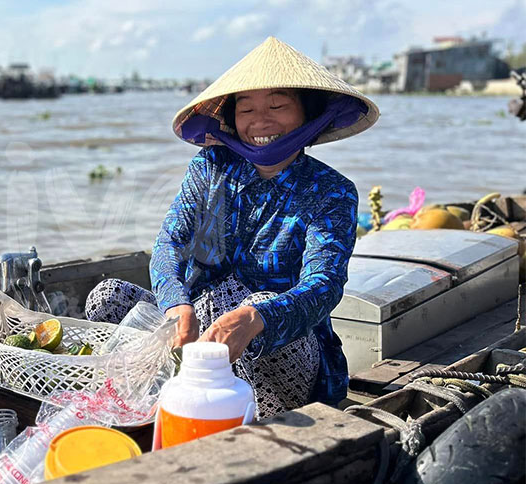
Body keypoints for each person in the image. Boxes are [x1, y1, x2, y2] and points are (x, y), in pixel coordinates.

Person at [84, 37, 379, 419]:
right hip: (193, 336)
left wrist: (255, 319)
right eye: (246, 108)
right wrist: (176, 304)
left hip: (280, 349)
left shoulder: (332, 191)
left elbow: (323, 285)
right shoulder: (210, 167)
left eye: (277, 104)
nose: (260, 121)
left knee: (251, 302)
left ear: (308, 114)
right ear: (232, 118)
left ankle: (252, 422)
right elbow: (171, 242)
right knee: (106, 297)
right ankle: (151, 407)